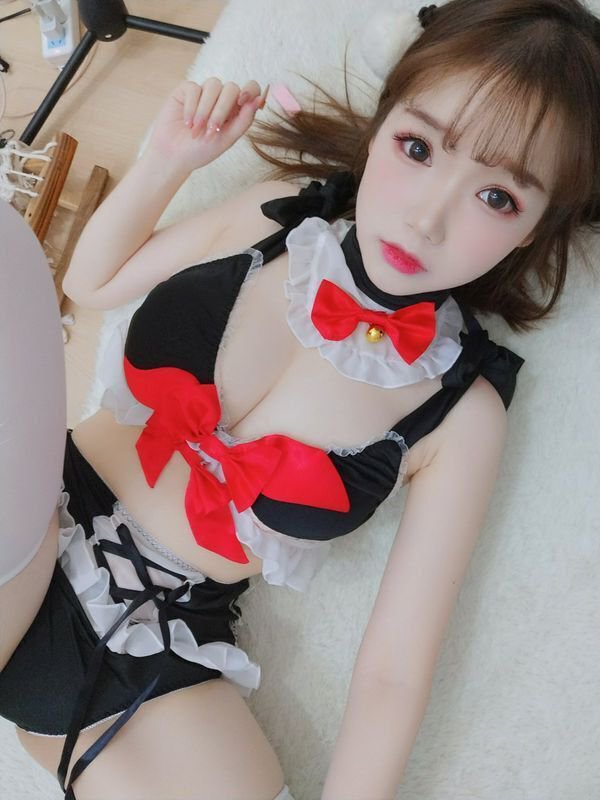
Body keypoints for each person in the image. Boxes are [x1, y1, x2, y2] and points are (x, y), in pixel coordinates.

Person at [1, 0, 599, 798]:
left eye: (498, 198)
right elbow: (91, 281)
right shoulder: (275, 216)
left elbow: (393, 671)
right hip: (34, 509)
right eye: (418, 148)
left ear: (533, 230)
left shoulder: (463, 413)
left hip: (159, 649)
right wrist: (169, 160)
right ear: (381, 125)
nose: (427, 218)